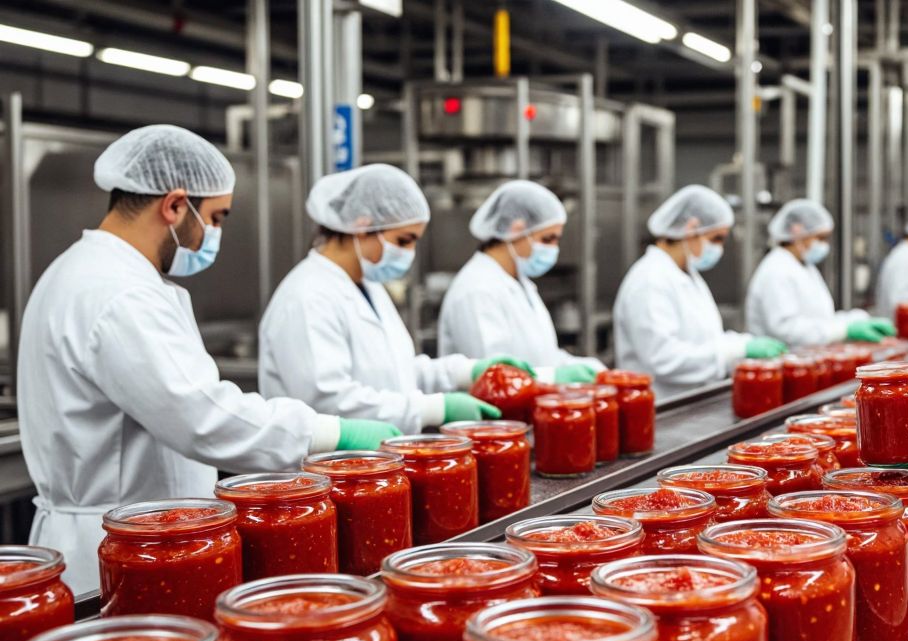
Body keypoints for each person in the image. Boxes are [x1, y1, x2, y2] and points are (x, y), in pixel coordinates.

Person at [16, 125, 400, 592]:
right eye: (216, 218)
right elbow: (203, 415)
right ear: (175, 206)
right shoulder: (117, 292)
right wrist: (332, 431)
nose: (215, 233)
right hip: (124, 546)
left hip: (153, 535)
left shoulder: (93, 273)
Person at [259, 164, 520, 433]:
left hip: (376, 463)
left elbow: (399, 372)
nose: (410, 252)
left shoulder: (368, 287)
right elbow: (328, 400)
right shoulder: (308, 296)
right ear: (362, 227)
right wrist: (433, 408)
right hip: (327, 469)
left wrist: (466, 371)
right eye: (404, 241)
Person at [613, 185, 787, 397]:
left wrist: (741, 343)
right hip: (661, 408)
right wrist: (735, 351)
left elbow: (705, 340)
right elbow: (664, 358)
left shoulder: (686, 274)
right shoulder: (650, 281)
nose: (719, 248)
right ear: (691, 228)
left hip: (690, 401)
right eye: (716, 238)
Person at [438, 180, 604, 383]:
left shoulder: (520, 284)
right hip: (492, 413)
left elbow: (543, 356)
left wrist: (580, 367)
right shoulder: (477, 290)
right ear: (516, 230)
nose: (554, 249)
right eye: (547, 239)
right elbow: (494, 375)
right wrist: (554, 377)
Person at [745, 199, 897, 346]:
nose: (824, 245)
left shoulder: (804, 266)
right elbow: (786, 329)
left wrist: (858, 319)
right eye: (820, 238)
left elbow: (821, 320)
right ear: (797, 231)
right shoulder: (777, 270)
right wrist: (844, 330)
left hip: (806, 359)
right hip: (781, 363)